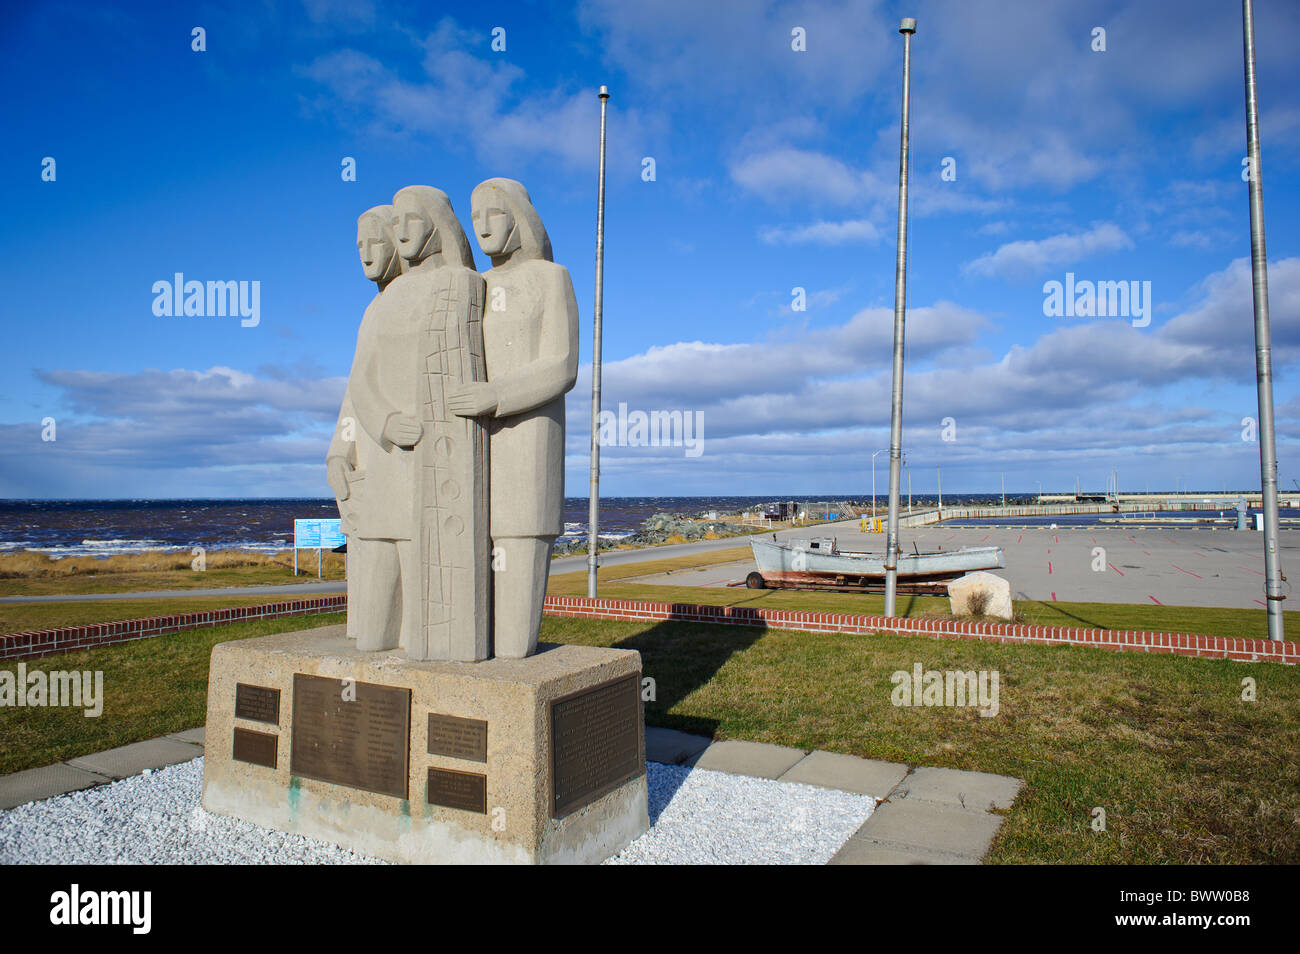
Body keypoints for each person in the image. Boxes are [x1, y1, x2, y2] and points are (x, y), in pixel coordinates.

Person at [348, 187, 489, 659]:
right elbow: (360, 380)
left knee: (425, 630)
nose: (402, 232)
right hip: (390, 454)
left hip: (439, 462)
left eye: (413, 220)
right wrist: (386, 423)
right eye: (398, 222)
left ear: (435, 224)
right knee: (371, 631)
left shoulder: (461, 284)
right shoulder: (381, 304)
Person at [449, 178, 578, 658]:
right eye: (474, 215)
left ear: (519, 219)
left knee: (518, 540)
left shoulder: (550, 277)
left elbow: (562, 364)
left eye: (494, 214)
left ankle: (512, 664)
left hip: (527, 438)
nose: (482, 226)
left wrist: (495, 395)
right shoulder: (473, 286)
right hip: (472, 440)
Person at [327, 205, 403, 641]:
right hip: (368, 471)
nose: (366, 254)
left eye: (376, 242)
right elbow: (355, 394)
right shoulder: (373, 310)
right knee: (368, 631)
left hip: (405, 464)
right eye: (360, 245)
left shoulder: (420, 299)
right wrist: (339, 452)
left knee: (389, 628)